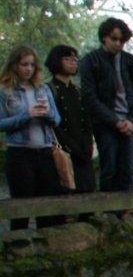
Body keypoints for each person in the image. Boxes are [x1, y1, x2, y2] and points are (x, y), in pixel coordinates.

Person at [79, 17, 133, 192]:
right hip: (106, 124)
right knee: (109, 169)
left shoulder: (132, 62)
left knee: (129, 169)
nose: (118, 44)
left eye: (122, 40)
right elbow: (90, 97)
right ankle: (108, 214)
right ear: (104, 38)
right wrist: (115, 121)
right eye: (114, 39)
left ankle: (122, 212)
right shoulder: (91, 61)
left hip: (131, 123)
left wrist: (132, 121)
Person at [0, 45, 64, 230]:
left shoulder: (43, 89)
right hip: (20, 153)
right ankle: (18, 247)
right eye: (24, 64)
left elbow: (57, 119)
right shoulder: (5, 91)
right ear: (14, 66)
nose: (28, 69)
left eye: (32, 65)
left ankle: (45, 246)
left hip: (44, 152)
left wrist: (47, 114)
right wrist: (26, 115)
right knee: (22, 206)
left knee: (46, 204)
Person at [45, 45, 95, 197]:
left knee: (86, 188)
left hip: (83, 146)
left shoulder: (78, 91)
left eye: (75, 59)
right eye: (67, 59)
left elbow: (86, 119)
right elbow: (53, 122)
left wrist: (88, 143)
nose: (73, 63)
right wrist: (68, 144)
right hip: (62, 147)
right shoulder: (48, 89)